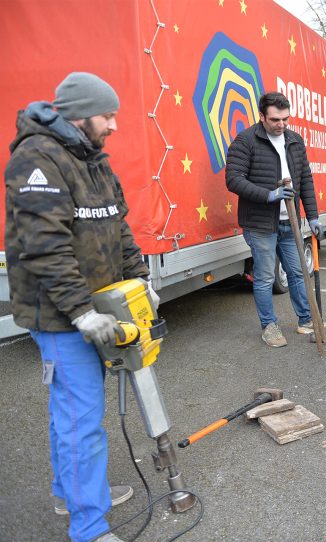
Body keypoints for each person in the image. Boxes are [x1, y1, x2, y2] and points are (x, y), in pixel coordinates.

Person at [4, 72, 154, 542]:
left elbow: (120, 229)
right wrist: (81, 313)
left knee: (70, 413)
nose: (114, 125)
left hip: (101, 307)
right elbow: (45, 247)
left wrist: (141, 282)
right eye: (108, 115)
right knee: (81, 420)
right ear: (80, 114)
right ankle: (89, 527)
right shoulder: (36, 159)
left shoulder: (95, 162)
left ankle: (70, 494)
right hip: (61, 318)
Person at [226, 92, 326, 348]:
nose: (282, 124)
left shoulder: (294, 141)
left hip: (291, 222)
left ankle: (306, 321)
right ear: (262, 116)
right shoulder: (246, 141)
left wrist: (313, 215)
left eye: (286, 119)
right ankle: (269, 326)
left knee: (298, 273)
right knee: (265, 277)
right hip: (260, 224)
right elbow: (233, 179)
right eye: (276, 119)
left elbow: (305, 180)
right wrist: (269, 195)